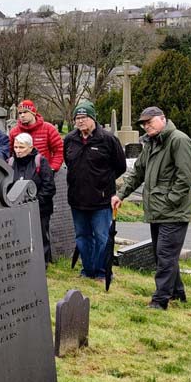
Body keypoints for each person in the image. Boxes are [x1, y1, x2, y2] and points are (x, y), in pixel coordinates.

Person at [113, 107, 191, 310]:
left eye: (150, 122)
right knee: (162, 255)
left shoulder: (178, 140)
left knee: (165, 255)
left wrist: (170, 200)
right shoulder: (150, 143)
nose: (146, 126)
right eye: (144, 123)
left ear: (163, 119)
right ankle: (177, 293)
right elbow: (138, 172)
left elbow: (185, 177)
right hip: (157, 211)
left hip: (172, 212)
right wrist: (121, 195)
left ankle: (160, 300)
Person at [63, 100, 126, 280]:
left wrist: (102, 182)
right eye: (77, 118)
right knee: (82, 236)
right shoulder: (70, 140)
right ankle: (87, 270)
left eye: (84, 117)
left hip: (101, 199)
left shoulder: (107, 139)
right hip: (77, 198)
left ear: (93, 119)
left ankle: (101, 271)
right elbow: (69, 163)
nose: (80, 121)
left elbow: (120, 166)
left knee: (102, 237)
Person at [9, 133, 55, 265]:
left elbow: (49, 186)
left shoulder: (40, 162)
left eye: (21, 147)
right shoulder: (11, 162)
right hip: (17, 207)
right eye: (16, 147)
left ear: (30, 147)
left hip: (39, 208)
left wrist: (34, 203)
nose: (18, 150)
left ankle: (42, 263)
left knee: (40, 236)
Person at [9, 99, 64, 171]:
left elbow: (59, 150)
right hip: (21, 173)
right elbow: (9, 153)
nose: (22, 115)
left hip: (43, 173)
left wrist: (52, 168)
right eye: (20, 113)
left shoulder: (48, 129)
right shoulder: (14, 132)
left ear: (33, 113)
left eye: (25, 112)